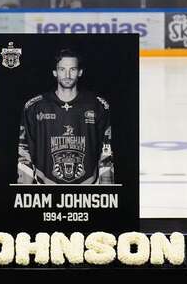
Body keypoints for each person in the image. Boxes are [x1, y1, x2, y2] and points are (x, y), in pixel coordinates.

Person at [17, 48, 114, 184]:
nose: (67, 75)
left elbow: (107, 150)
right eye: (62, 69)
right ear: (54, 72)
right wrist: (23, 187)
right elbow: (23, 150)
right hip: (45, 188)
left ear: (80, 72)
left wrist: (107, 185)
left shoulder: (98, 106)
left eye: (72, 69)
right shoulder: (34, 107)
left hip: (87, 187)